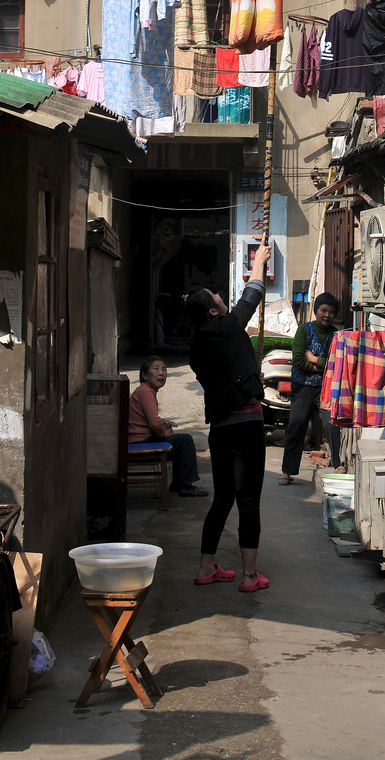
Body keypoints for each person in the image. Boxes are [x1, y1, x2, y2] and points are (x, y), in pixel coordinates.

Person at [185, 233, 272, 593]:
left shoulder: (199, 345)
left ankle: (207, 567)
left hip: (220, 429)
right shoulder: (225, 328)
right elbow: (248, 302)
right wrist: (258, 264)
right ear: (212, 310)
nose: (222, 297)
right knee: (248, 500)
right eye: (216, 297)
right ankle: (250, 577)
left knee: (223, 498)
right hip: (247, 423)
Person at [279, 292, 340, 485]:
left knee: (332, 424)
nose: (327, 315)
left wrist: (313, 359)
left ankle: (338, 463)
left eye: (331, 312)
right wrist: (322, 366)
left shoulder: (336, 335)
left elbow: (336, 363)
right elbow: (297, 360)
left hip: (325, 387)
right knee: (297, 426)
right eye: (323, 310)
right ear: (315, 311)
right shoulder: (304, 330)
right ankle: (287, 472)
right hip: (303, 386)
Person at [129, 356, 208, 497]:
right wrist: (163, 434)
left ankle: (178, 484)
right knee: (185, 441)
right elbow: (153, 423)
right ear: (145, 375)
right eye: (156, 369)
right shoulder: (146, 392)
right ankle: (185, 485)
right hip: (140, 442)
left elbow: (147, 417)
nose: (161, 373)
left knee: (180, 441)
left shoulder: (144, 390)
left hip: (137, 440)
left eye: (164, 369)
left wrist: (163, 420)